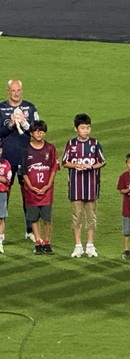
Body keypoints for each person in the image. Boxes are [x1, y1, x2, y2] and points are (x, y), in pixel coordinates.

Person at [0, 78, 40, 241]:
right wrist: (10, 125)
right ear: (8, 91)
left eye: (18, 90)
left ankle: (30, 230)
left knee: (28, 193)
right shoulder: (1, 108)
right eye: (13, 90)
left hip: (26, 157)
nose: (16, 93)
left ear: (21, 91)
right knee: (3, 195)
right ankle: (1, 233)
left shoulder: (30, 108)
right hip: (6, 159)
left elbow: (38, 131)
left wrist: (26, 124)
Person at [61, 113, 106, 258]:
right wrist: (76, 165)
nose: (85, 131)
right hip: (76, 187)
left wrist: (90, 167)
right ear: (76, 129)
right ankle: (78, 245)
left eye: (87, 128)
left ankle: (90, 245)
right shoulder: (71, 144)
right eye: (82, 128)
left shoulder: (95, 143)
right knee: (76, 216)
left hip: (91, 187)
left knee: (91, 217)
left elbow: (102, 161)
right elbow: (64, 162)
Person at [22, 120, 59, 254]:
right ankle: (38, 242)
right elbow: (23, 171)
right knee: (34, 218)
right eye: (37, 131)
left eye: (42, 132)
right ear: (32, 133)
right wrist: (31, 187)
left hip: (46, 191)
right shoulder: (25, 150)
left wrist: (48, 185)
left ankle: (47, 242)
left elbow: (54, 168)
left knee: (47, 218)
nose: (39, 134)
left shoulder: (50, 149)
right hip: (31, 191)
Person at [0, 156, 11, 254]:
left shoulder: (6, 163)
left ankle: (0, 243)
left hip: (1, 193)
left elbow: (7, 179)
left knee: (0, 218)